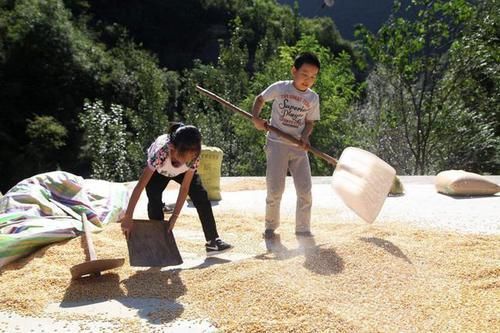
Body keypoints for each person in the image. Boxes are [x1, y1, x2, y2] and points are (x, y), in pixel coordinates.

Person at [120, 123, 233, 255]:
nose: (189, 161)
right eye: (184, 158)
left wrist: (174, 217)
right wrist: (128, 216)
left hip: (182, 173)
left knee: (200, 194)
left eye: (192, 158)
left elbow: (185, 188)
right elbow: (140, 186)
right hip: (159, 171)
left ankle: (213, 241)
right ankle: (159, 242)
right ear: (173, 148)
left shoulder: (194, 156)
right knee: (154, 198)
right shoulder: (160, 154)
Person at [251, 52, 321, 239]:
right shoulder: (281, 88)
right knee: (275, 189)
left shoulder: (313, 98)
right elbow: (260, 99)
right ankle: (270, 227)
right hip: (276, 145)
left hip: (298, 147)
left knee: (305, 190)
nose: (308, 80)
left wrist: (305, 137)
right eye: (304, 74)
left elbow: (309, 123)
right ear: (294, 71)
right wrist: (256, 119)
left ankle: (303, 229)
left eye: (313, 76)